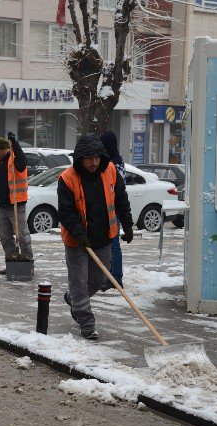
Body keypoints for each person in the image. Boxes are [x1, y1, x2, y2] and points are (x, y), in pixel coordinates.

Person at [58, 134, 133, 339]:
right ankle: (86, 322)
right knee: (79, 282)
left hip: (103, 236)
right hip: (77, 240)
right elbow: (65, 212)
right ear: (80, 158)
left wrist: (127, 225)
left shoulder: (110, 171)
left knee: (98, 280)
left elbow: (121, 200)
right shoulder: (67, 178)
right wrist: (79, 233)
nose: (93, 162)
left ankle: (72, 298)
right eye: (89, 158)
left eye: (97, 157)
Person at [0, 132, 33, 274]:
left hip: (16, 203)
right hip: (1, 204)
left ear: (4, 149)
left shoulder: (15, 158)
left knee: (22, 236)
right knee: (5, 237)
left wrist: (15, 143)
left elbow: (22, 164)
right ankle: (12, 263)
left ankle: (28, 264)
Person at [99, 130, 126, 291]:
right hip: (108, 210)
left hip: (113, 210)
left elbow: (116, 190)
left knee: (113, 244)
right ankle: (110, 275)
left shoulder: (114, 164)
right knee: (108, 244)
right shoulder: (111, 162)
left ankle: (116, 278)